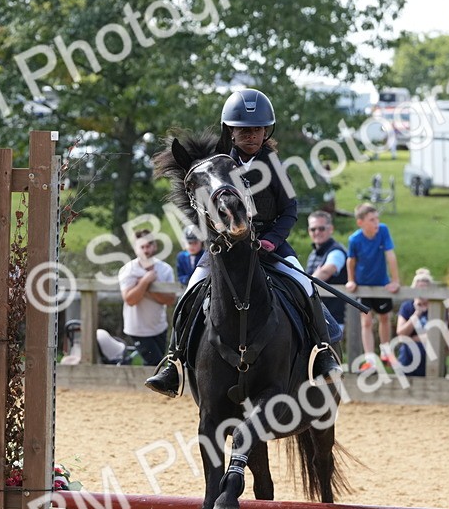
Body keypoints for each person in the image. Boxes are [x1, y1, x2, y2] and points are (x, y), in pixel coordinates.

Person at [145, 88, 342, 396]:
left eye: (258, 129)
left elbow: (289, 211)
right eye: (244, 129)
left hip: (270, 246)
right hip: (225, 249)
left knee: (305, 287)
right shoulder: (218, 167)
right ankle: (173, 361)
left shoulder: (274, 165)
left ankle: (323, 351)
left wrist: (272, 242)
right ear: (231, 132)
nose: (251, 135)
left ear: (266, 132)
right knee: (191, 291)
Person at [344, 202, 401, 370]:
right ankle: (370, 359)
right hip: (363, 285)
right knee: (366, 321)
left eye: (377, 219)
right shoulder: (354, 239)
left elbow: (390, 255)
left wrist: (395, 280)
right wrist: (351, 280)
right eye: (371, 220)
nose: (376, 223)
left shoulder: (383, 231)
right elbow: (351, 261)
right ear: (360, 222)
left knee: (384, 317)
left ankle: (385, 352)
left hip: (382, 283)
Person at [119, 230, 176, 366]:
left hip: (159, 326)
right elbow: (130, 300)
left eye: (149, 245)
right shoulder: (128, 270)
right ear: (135, 248)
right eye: (142, 247)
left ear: (155, 246)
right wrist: (145, 281)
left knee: (155, 366)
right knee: (154, 364)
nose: (146, 250)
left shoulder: (165, 269)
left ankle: (143, 386)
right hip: (137, 328)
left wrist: (144, 288)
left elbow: (171, 300)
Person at [306, 211, 348, 327]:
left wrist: (303, 284)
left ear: (331, 229)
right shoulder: (314, 253)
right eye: (313, 229)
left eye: (321, 228)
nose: (317, 232)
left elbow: (327, 270)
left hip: (332, 319)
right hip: (315, 318)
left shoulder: (336, 252)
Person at [393, 268, 436, 377]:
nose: (421, 292)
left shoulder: (437, 307)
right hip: (409, 357)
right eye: (419, 288)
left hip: (431, 355)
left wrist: (412, 338)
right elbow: (401, 333)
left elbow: (437, 336)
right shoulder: (407, 307)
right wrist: (417, 313)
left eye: (424, 289)